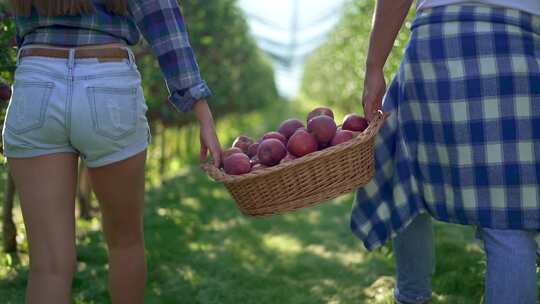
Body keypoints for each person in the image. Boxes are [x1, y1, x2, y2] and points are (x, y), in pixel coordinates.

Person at [3, 1, 222, 303]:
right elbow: (161, 17)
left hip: (37, 83)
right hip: (107, 82)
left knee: (48, 268)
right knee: (125, 244)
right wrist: (201, 110)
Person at [351, 0, 540, 303]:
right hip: (517, 45)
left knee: (406, 178)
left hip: (437, 42)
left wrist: (374, 68)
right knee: (509, 220)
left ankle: (411, 295)